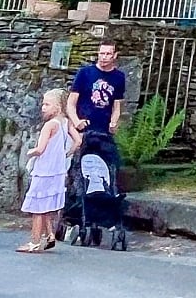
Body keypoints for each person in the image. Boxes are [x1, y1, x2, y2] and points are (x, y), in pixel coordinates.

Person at [18, 88, 76, 253]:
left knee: (37, 208)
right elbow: (78, 141)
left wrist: (30, 152)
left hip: (44, 171)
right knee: (46, 205)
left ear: (57, 107)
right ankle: (50, 235)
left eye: (47, 104)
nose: (43, 107)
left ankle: (34, 242)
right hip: (57, 171)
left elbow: (40, 149)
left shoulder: (49, 125)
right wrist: (65, 155)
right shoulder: (65, 123)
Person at [67, 41, 127, 167]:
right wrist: (76, 121)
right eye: (101, 53)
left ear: (115, 55)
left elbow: (117, 105)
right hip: (83, 129)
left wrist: (114, 121)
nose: (104, 57)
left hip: (104, 131)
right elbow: (71, 103)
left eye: (108, 54)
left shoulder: (119, 77)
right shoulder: (85, 73)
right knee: (78, 166)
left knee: (105, 165)